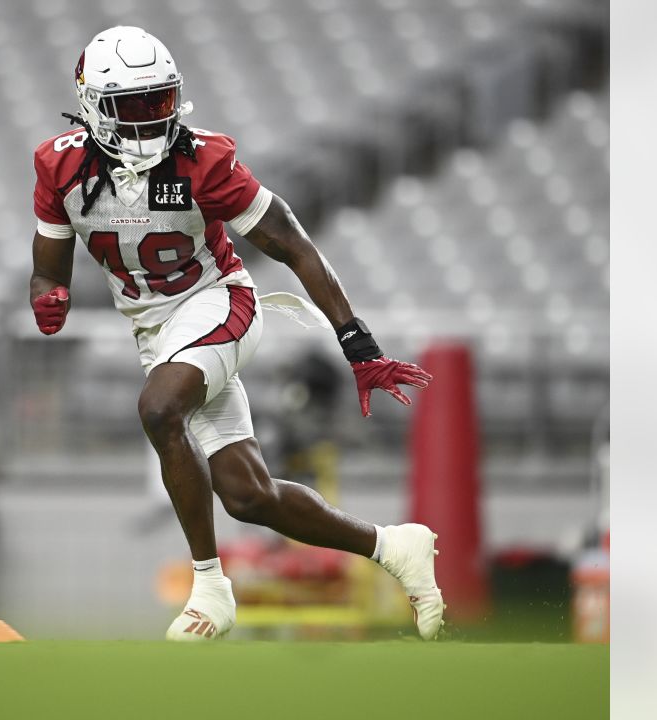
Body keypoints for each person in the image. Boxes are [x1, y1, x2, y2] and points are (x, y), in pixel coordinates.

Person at [28, 27, 444, 641]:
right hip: (155, 333)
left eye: (159, 102)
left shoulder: (203, 160)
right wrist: (49, 297)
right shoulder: (58, 164)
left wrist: (357, 342)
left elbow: (293, 244)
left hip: (220, 304)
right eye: (132, 107)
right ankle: (394, 547)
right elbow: (45, 269)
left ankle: (209, 587)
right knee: (247, 496)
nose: (149, 121)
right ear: (92, 106)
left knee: (159, 408)